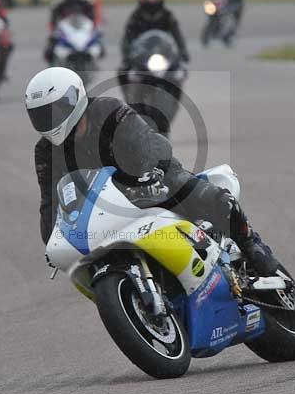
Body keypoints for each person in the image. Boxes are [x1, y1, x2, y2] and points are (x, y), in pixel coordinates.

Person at [25, 66, 278, 274]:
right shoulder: (45, 151)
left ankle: (252, 244)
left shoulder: (107, 110)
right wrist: (52, 242)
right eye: (41, 115)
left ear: (74, 98)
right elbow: (51, 200)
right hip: (105, 208)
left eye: (55, 111)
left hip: (152, 175)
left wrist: (149, 172)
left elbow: (143, 143)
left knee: (194, 192)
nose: (50, 120)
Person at [119, 0, 189, 71]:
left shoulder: (167, 15)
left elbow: (177, 34)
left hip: (163, 51)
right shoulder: (136, 16)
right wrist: (126, 55)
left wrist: (183, 52)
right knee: (123, 71)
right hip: (142, 52)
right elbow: (128, 37)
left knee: (180, 70)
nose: (151, 1)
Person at [44, 0, 97, 64]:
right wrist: (54, 31)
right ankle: (52, 64)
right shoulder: (58, 4)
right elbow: (53, 21)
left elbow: (92, 18)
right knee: (52, 41)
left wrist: (93, 27)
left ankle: (94, 57)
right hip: (65, 28)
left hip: (81, 27)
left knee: (97, 36)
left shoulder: (86, 2)